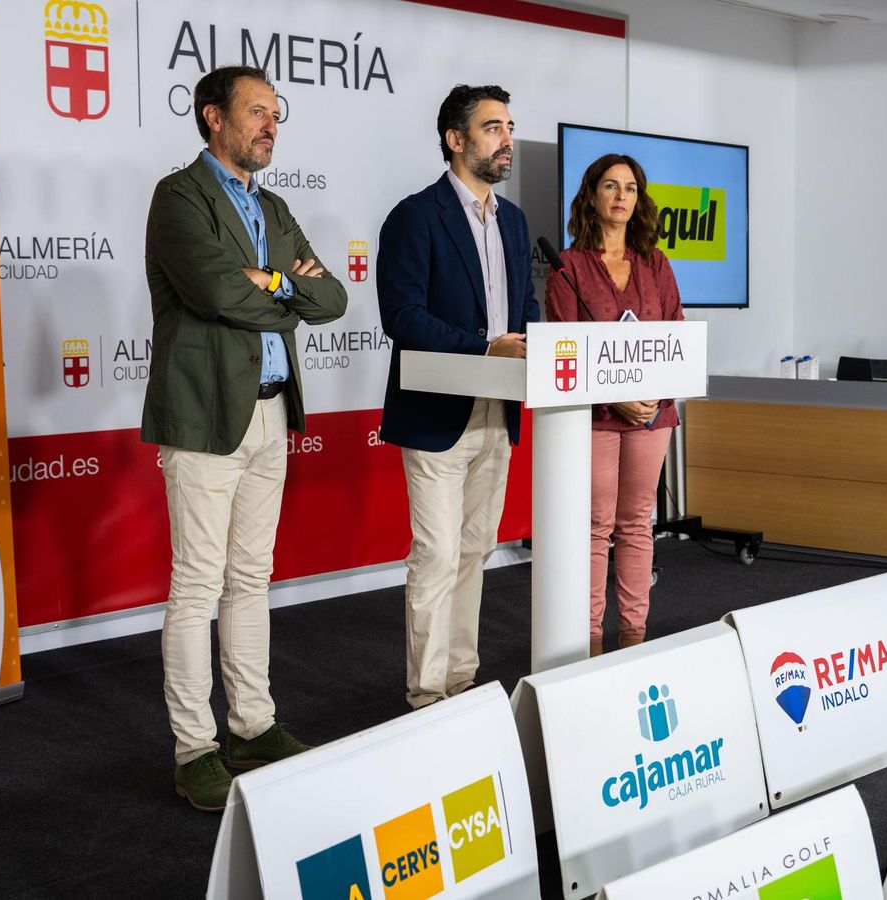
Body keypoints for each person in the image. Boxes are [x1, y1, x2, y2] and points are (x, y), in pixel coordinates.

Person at [141, 66, 348, 811]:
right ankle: (195, 748)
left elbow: (332, 296)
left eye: (275, 114)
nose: (270, 125)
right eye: (257, 112)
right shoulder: (179, 198)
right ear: (213, 119)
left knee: (250, 578)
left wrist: (272, 283)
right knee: (197, 586)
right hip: (203, 414)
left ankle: (254, 725)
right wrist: (272, 284)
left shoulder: (276, 206)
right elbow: (215, 291)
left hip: (270, 411)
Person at [377, 84, 540, 709]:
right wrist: (484, 349)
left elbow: (524, 309)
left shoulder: (516, 220)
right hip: (437, 413)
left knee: (476, 551)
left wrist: (525, 345)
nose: (507, 140)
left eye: (509, 126)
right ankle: (425, 695)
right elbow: (403, 316)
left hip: (500, 412)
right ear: (455, 139)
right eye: (493, 127)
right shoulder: (415, 216)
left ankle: (460, 683)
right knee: (439, 554)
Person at [544, 154, 685, 657]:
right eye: (610, 185)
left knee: (636, 522)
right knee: (595, 526)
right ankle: (588, 645)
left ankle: (634, 640)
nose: (621, 196)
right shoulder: (568, 266)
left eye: (630, 187)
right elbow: (562, 346)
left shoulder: (656, 263)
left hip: (653, 415)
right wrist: (615, 398)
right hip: (595, 417)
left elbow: (676, 338)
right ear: (592, 196)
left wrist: (651, 401)